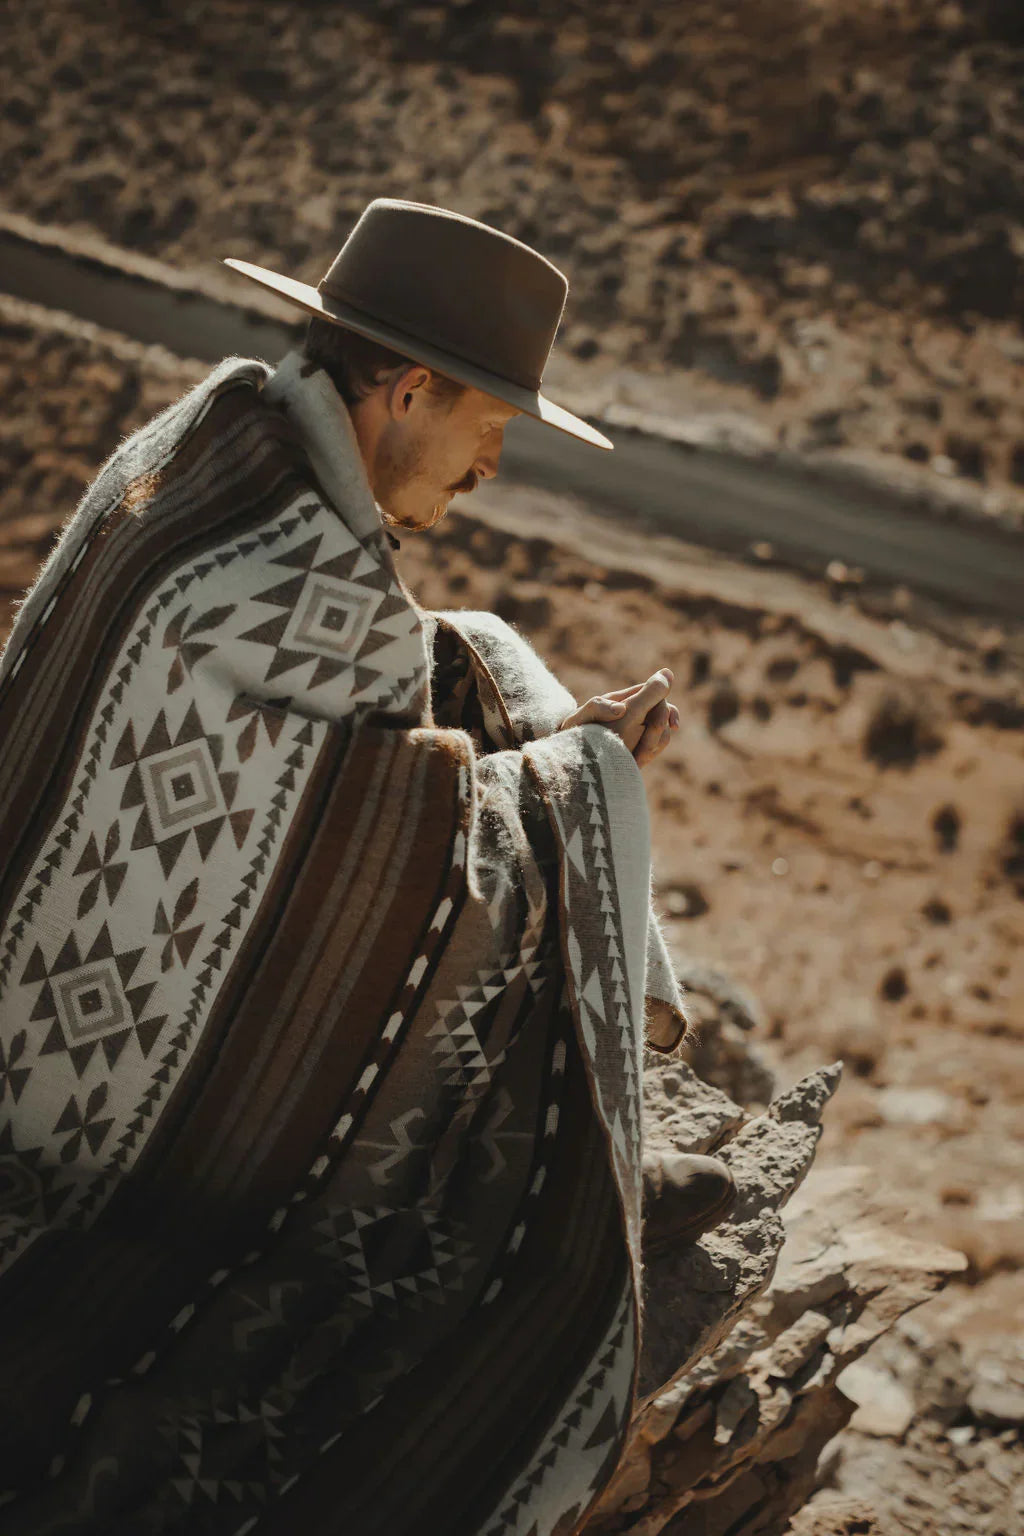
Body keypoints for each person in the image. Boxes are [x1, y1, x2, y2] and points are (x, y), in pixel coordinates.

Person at [0, 199, 733, 1536]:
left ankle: (611, 1096)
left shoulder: (212, 449)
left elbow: (348, 756)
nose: (491, 469)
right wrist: (589, 777)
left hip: (30, 981)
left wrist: (545, 743)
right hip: (86, 1108)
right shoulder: (310, 575)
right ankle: (582, 1163)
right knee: (570, 795)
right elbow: (379, 856)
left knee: (493, 659)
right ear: (405, 391)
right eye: (490, 431)